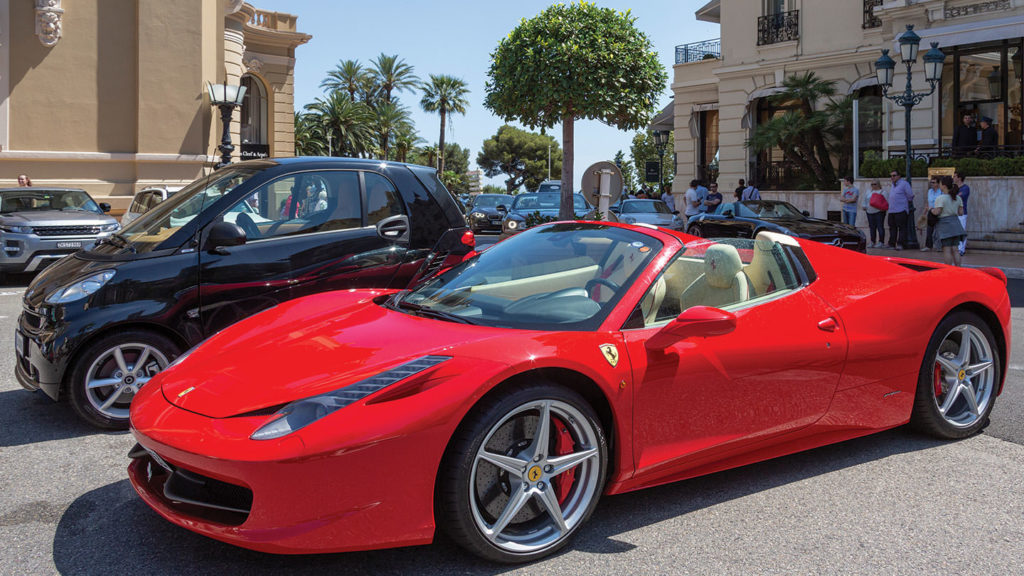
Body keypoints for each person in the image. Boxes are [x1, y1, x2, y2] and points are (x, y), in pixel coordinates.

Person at [932, 175, 966, 267]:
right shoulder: (958, 198)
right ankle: (958, 268)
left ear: (944, 185)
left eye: (940, 183)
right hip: (955, 224)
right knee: (955, 249)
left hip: (945, 225)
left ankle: (948, 269)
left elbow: (937, 212)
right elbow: (961, 212)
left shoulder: (941, 198)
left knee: (946, 249)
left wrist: (931, 210)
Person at [887, 169, 914, 250]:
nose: (892, 177)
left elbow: (910, 196)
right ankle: (892, 244)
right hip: (892, 210)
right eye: (891, 176)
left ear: (899, 176)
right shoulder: (892, 185)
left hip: (901, 210)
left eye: (894, 175)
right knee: (892, 228)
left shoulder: (904, 184)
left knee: (902, 228)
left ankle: (900, 244)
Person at [864, 180, 887, 248]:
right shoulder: (869, 192)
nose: (873, 186)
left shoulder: (883, 192)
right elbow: (865, 200)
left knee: (880, 227)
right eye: (872, 184)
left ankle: (881, 242)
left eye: (875, 184)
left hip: (879, 212)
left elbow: (886, 201)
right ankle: (872, 241)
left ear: (878, 184)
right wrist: (864, 206)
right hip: (869, 212)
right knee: (872, 227)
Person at [921, 177, 941, 252]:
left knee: (938, 230)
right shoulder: (930, 191)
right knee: (929, 230)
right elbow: (928, 202)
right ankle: (928, 245)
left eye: (934, 182)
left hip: (938, 211)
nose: (932, 184)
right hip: (930, 211)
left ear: (938, 184)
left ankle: (939, 246)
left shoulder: (941, 191)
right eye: (931, 182)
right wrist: (924, 213)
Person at [954, 171, 970, 256]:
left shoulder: (965, 188)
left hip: (962, 213)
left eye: (955, 176)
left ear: (959, 178)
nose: (954, 178)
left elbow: (958, 197)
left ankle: (961, 249)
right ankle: (957, 248)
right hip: (954, 212)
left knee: (961, 230)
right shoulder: (954, 187)